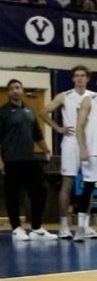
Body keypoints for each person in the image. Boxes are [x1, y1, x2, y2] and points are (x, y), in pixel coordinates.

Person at [0, 79, 56, 241]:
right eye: (12, 88)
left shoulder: (29, 110)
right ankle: (16, 228)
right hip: (11, 160)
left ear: (22, 90)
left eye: (18, 87)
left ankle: (36, 228)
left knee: (40, 191)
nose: (15, 90)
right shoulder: (2, 112)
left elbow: (37, 134)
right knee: (13, 195)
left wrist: (46, 150)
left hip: (29, 160)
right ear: (8, 92)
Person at [39, 65, 97, 239]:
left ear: (88, 78)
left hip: (91, 144)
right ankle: (64, 225)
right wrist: (58, 128)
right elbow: (43, 112)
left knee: (89, 184)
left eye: (83, 76)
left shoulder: (93, 97)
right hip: (71, 142)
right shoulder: (64, 96)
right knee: (67, 183)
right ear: (72, 78)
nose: (80, 78)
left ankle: (84, 226)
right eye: (77, 76)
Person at [74, 93, 97, 241]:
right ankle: (81, 227)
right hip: (93, 152)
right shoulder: (89, 100)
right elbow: (79, 126)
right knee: (88, 188)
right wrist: (82, 148)